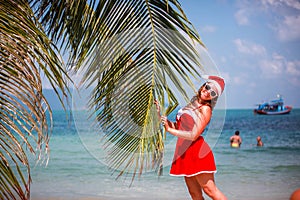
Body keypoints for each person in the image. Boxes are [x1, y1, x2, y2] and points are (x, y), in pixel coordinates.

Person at [156, 75, 227, 200]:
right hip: (184, 152)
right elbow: (179, 127)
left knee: (211, 191)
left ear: (214, 97)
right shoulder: (191, 104)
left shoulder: (205, 109)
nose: (207, 91)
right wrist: (161, 117)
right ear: (203, 85)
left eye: (213, 92)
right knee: (195, 194)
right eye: (208, 86)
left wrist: (170, 130)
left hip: (197, 152)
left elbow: (194, 135)